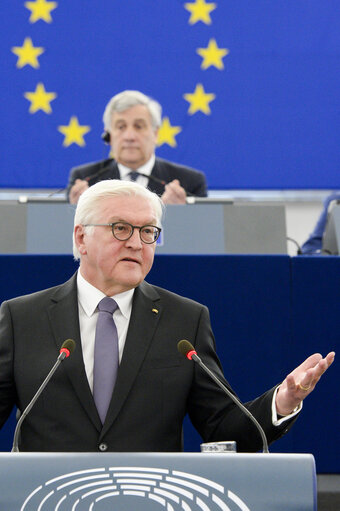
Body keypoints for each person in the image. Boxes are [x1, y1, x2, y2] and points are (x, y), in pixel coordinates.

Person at [0, 180, 335, 452]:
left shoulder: (184, 321)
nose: (136, 243)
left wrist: (283, 400)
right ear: (81, 237)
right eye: (120, 228)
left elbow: (223, 429)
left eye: (148, 231)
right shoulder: (21, 318)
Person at [66, 90, 207, 205]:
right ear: (108, 135)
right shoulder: (85, 180)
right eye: (121, 127)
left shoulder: (189, 182)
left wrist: (179, 214)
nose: (129, 136)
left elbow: (204, 234)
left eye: (139, 126)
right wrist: (78, 211)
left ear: (155, 133)